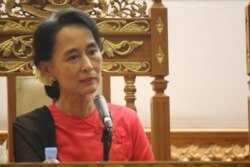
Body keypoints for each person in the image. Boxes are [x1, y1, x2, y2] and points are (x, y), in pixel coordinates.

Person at [13, 8, 155, 162]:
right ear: (47, 69)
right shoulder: (29, 129)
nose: (88, 66)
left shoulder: (127, 120)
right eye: (73, 57)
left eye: (92, 51)